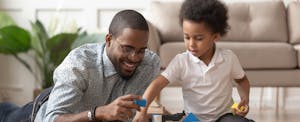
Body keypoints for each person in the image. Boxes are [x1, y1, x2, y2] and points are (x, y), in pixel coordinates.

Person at [0, 9, 160, 122]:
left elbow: (137, 105)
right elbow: (51, 119)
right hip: (41, 114)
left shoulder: (149, 64)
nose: (134, 58)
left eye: (141, 51)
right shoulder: (80, 64)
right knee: (7, 115)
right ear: (109, 40)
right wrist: (99, 113)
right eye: (127, 48)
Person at [133, 0, 253, 122]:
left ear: (215, 36)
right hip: (192, 118)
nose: (191, 44)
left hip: (224, 117)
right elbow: (156, 84)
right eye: (187, 37)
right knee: (159, 119)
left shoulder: (228, 58)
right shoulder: (182, 61)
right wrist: (142, 111)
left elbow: (241, 80)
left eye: (198, 38)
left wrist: (245, 99)